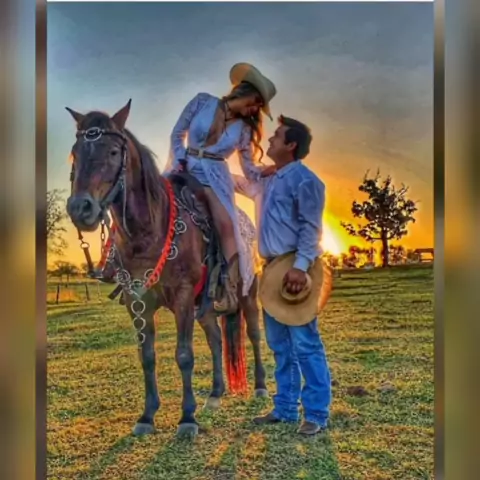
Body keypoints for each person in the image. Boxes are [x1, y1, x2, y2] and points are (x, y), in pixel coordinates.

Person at [234, 115, 332, 435]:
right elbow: (244, 175)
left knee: (305, 343)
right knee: (279, 344)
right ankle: (286, 408)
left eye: (276, 136)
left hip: (294, 268)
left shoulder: (306, 181)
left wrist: (301, 267)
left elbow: (311, 228)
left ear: (291, 145)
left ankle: (316, 413)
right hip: (273, 269)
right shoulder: (269, 179)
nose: (270, 140)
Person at [164, 63, 277, 314]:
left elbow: (248, 167)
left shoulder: (244, 129)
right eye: (256, 102)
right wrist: (180, 158)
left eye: (259, 107)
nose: (255, 109)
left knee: (226, 226)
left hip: (215, 176)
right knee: (149, 200)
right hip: (185, 165)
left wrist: (264, 171)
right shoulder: (201, 102)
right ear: (245, 92)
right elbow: (177, 133)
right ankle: (120, 262)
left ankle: (229, 288)